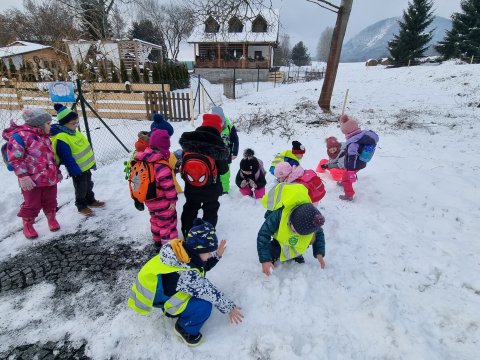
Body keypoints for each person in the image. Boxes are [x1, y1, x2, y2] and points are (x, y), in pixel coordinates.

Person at [128, 218, 243, 346]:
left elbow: (202, 266)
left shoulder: (183, 253)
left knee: (197, 289)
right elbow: (209, 291)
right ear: (198, 250)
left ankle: (177, 310)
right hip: (166, 301)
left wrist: (217, 255)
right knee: (204, 306)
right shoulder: (186, 273)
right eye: (208, 252)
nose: (210, 255)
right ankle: (185, 330)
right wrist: (230, 308)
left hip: (164, 292)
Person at [2, 109, 62, 239]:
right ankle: (28, 225)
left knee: (50, 200)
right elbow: (15, 158)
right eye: (47, 123)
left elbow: (51, 157)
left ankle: (51, 219)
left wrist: (57, 171)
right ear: (38, 123)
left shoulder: (45, 137)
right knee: (32, 203)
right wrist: (23, 177)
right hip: (31, 181)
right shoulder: (19, 136)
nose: (50, 126)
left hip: (49, 177)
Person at [179, 114, 229, 238]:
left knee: (190, 207)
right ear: (218, 128)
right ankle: (206, 235)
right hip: (211, 188)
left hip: (191, 185)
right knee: (211, 209)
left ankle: (187, 231)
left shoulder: (189, 142)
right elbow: (223, 170)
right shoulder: (218, 146)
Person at [258, 183, 325, 274]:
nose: (295, 233)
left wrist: (319, 253)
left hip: (297, 243)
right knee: (274, 250)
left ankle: (296, 255)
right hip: (280, 239)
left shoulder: (312, 220)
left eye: (299, 233)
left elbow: (319, 234)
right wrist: (265, 259)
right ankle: (273, 255)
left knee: (301, 244)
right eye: (295, 230)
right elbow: (263, 234)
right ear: (291, 220)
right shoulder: (279, 215)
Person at [50, 103, 104, 216]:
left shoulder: (74, 132)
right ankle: (81, 206)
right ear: (64, 124)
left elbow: (85, 148)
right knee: (81, 188)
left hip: (85, 167)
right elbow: (67, 157)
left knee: (89, 185)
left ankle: (91, 200)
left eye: (77, 122)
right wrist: (74, 171)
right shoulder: (62, 138)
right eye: (73, 123)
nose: (76, 125)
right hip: (77, 170)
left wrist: (91, 163)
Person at [134, 129, 178, 246]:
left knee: (155, 220)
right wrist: (173, 201)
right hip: (163, 202)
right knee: (167, 224)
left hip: (149, 199)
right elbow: (168, 187)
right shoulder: (161, 165)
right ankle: (168, 247)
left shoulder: (142, 159)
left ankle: (157, 241)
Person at [321, 114, 379, 201]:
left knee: (345, 179)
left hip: (354, 164)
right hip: (360, 161)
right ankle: (347, 179)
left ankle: (349, 195)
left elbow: (352, 157)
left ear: (347, 131)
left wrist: (351, 171)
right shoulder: (361, 135)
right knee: (347, 175)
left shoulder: (353, 143)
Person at [211, 106, 239, 194]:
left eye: (221, 122)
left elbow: (235, 140)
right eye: (217, 123)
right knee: (214, 172)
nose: (219, 125)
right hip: (213, 155)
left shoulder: (230, 127)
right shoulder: (210, 127)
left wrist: (234, 152)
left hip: (226, 156)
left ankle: (224, 190)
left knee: (225, 173)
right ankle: (214, 187)